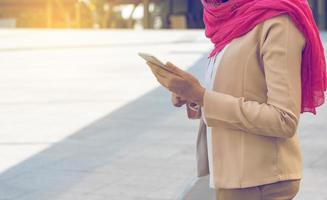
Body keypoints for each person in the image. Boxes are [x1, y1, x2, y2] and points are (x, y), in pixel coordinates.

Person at [145, 0, 327, 199]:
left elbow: (284, 119)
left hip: (262, 181)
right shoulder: (234, 20)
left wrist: (202, 95)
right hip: (234, 176)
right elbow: (240, 91)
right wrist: (192, 95)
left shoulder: (278, 22)